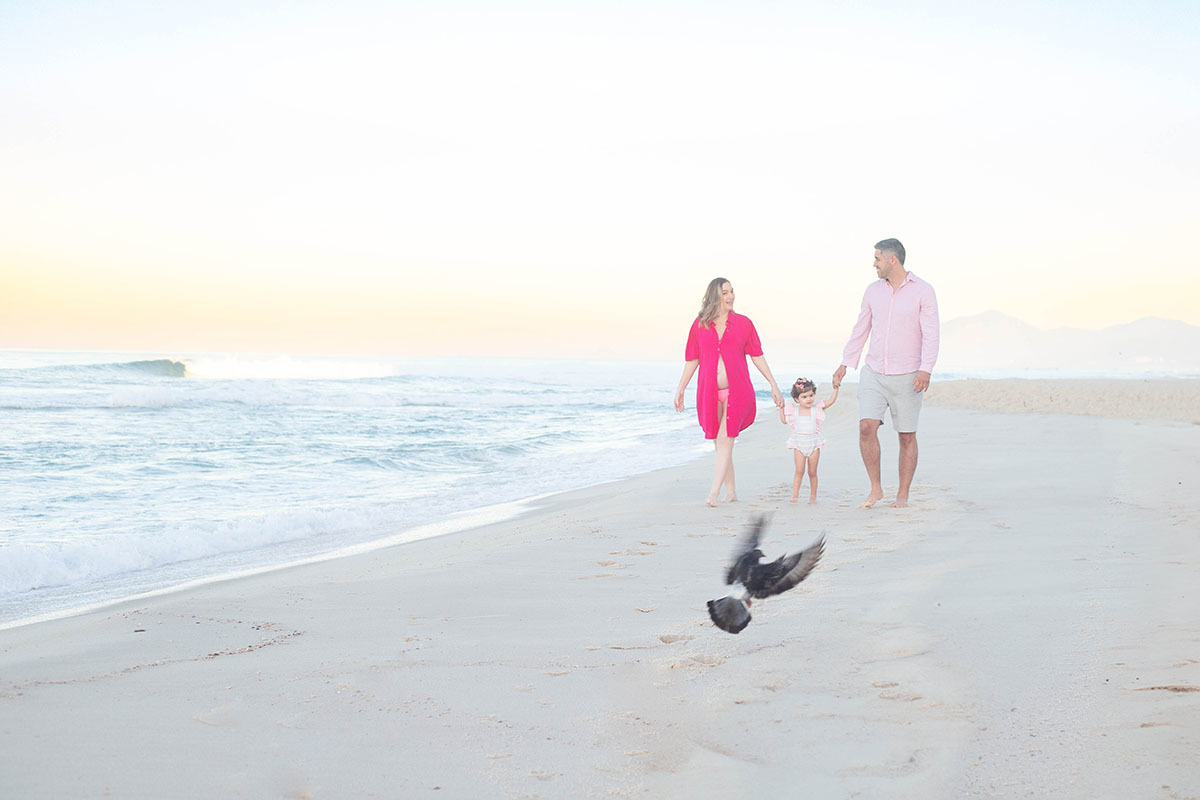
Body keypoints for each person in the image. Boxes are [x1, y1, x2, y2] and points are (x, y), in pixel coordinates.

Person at [832, 239, 939, 508]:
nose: (874, 264)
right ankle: (876, 488)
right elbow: (861, 328)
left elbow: (931, 333)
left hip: (909, 374)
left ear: (893, 260)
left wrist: (926, 368)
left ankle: (902, 494)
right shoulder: (872, 291)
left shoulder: (924, 291)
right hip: (874, 371)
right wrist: (846, 362)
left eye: (877, 259)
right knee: (866, 427)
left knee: (906, 436)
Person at [674, 277, 784, 507]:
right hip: (709, 392)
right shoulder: (699, 325)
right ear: (714, 296)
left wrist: (773, 384)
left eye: (732, 291)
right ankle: (731, 491)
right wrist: (681, 388)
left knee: (725, 440)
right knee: (720, 443)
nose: (730, 296)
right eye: (725, 292)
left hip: (738, 391)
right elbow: (693, 359)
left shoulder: (744, 324)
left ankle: (713, 492)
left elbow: (757, 356)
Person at [779, 377, 838, 504]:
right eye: (804, 397)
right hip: (799, 444)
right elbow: (784, 421)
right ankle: (795, 495)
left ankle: (813, 496)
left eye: (811, 395)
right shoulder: (794, 410)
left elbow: (830, 402)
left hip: (814, 444)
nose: (809, 399)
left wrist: (835, 390)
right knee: (799, 471)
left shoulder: (816, 409)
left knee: (812, 472)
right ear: (797, 399)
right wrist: (780, 408)